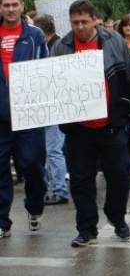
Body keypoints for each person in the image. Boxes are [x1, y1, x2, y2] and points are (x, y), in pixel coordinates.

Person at [51, 0, 130, 247]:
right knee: (82, 180)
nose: (80, 27)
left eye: (84, 21)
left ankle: (117, 219)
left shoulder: (113, 42)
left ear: (94, 19)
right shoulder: (62, 47)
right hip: (78, 129)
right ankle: (86, 228)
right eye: (75, 23)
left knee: (118, 174)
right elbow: (52, 85)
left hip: (112, 124)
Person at [0, 0, 49, 238]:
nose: (10, 9)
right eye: (6, 5)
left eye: (14, 5)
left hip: (29, 115)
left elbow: (45, 70)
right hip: (1, 117)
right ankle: (2, 222)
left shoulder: (34, 36)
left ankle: (34, 208)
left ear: (22, 5)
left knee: (32, 165)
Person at [32, 14, 69, 206]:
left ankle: (60, 191)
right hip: (49, 106)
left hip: (53, 106)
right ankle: (50, 189)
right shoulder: (57, 45)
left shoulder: (57, 48)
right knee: (49, 151)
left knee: (54, 150)